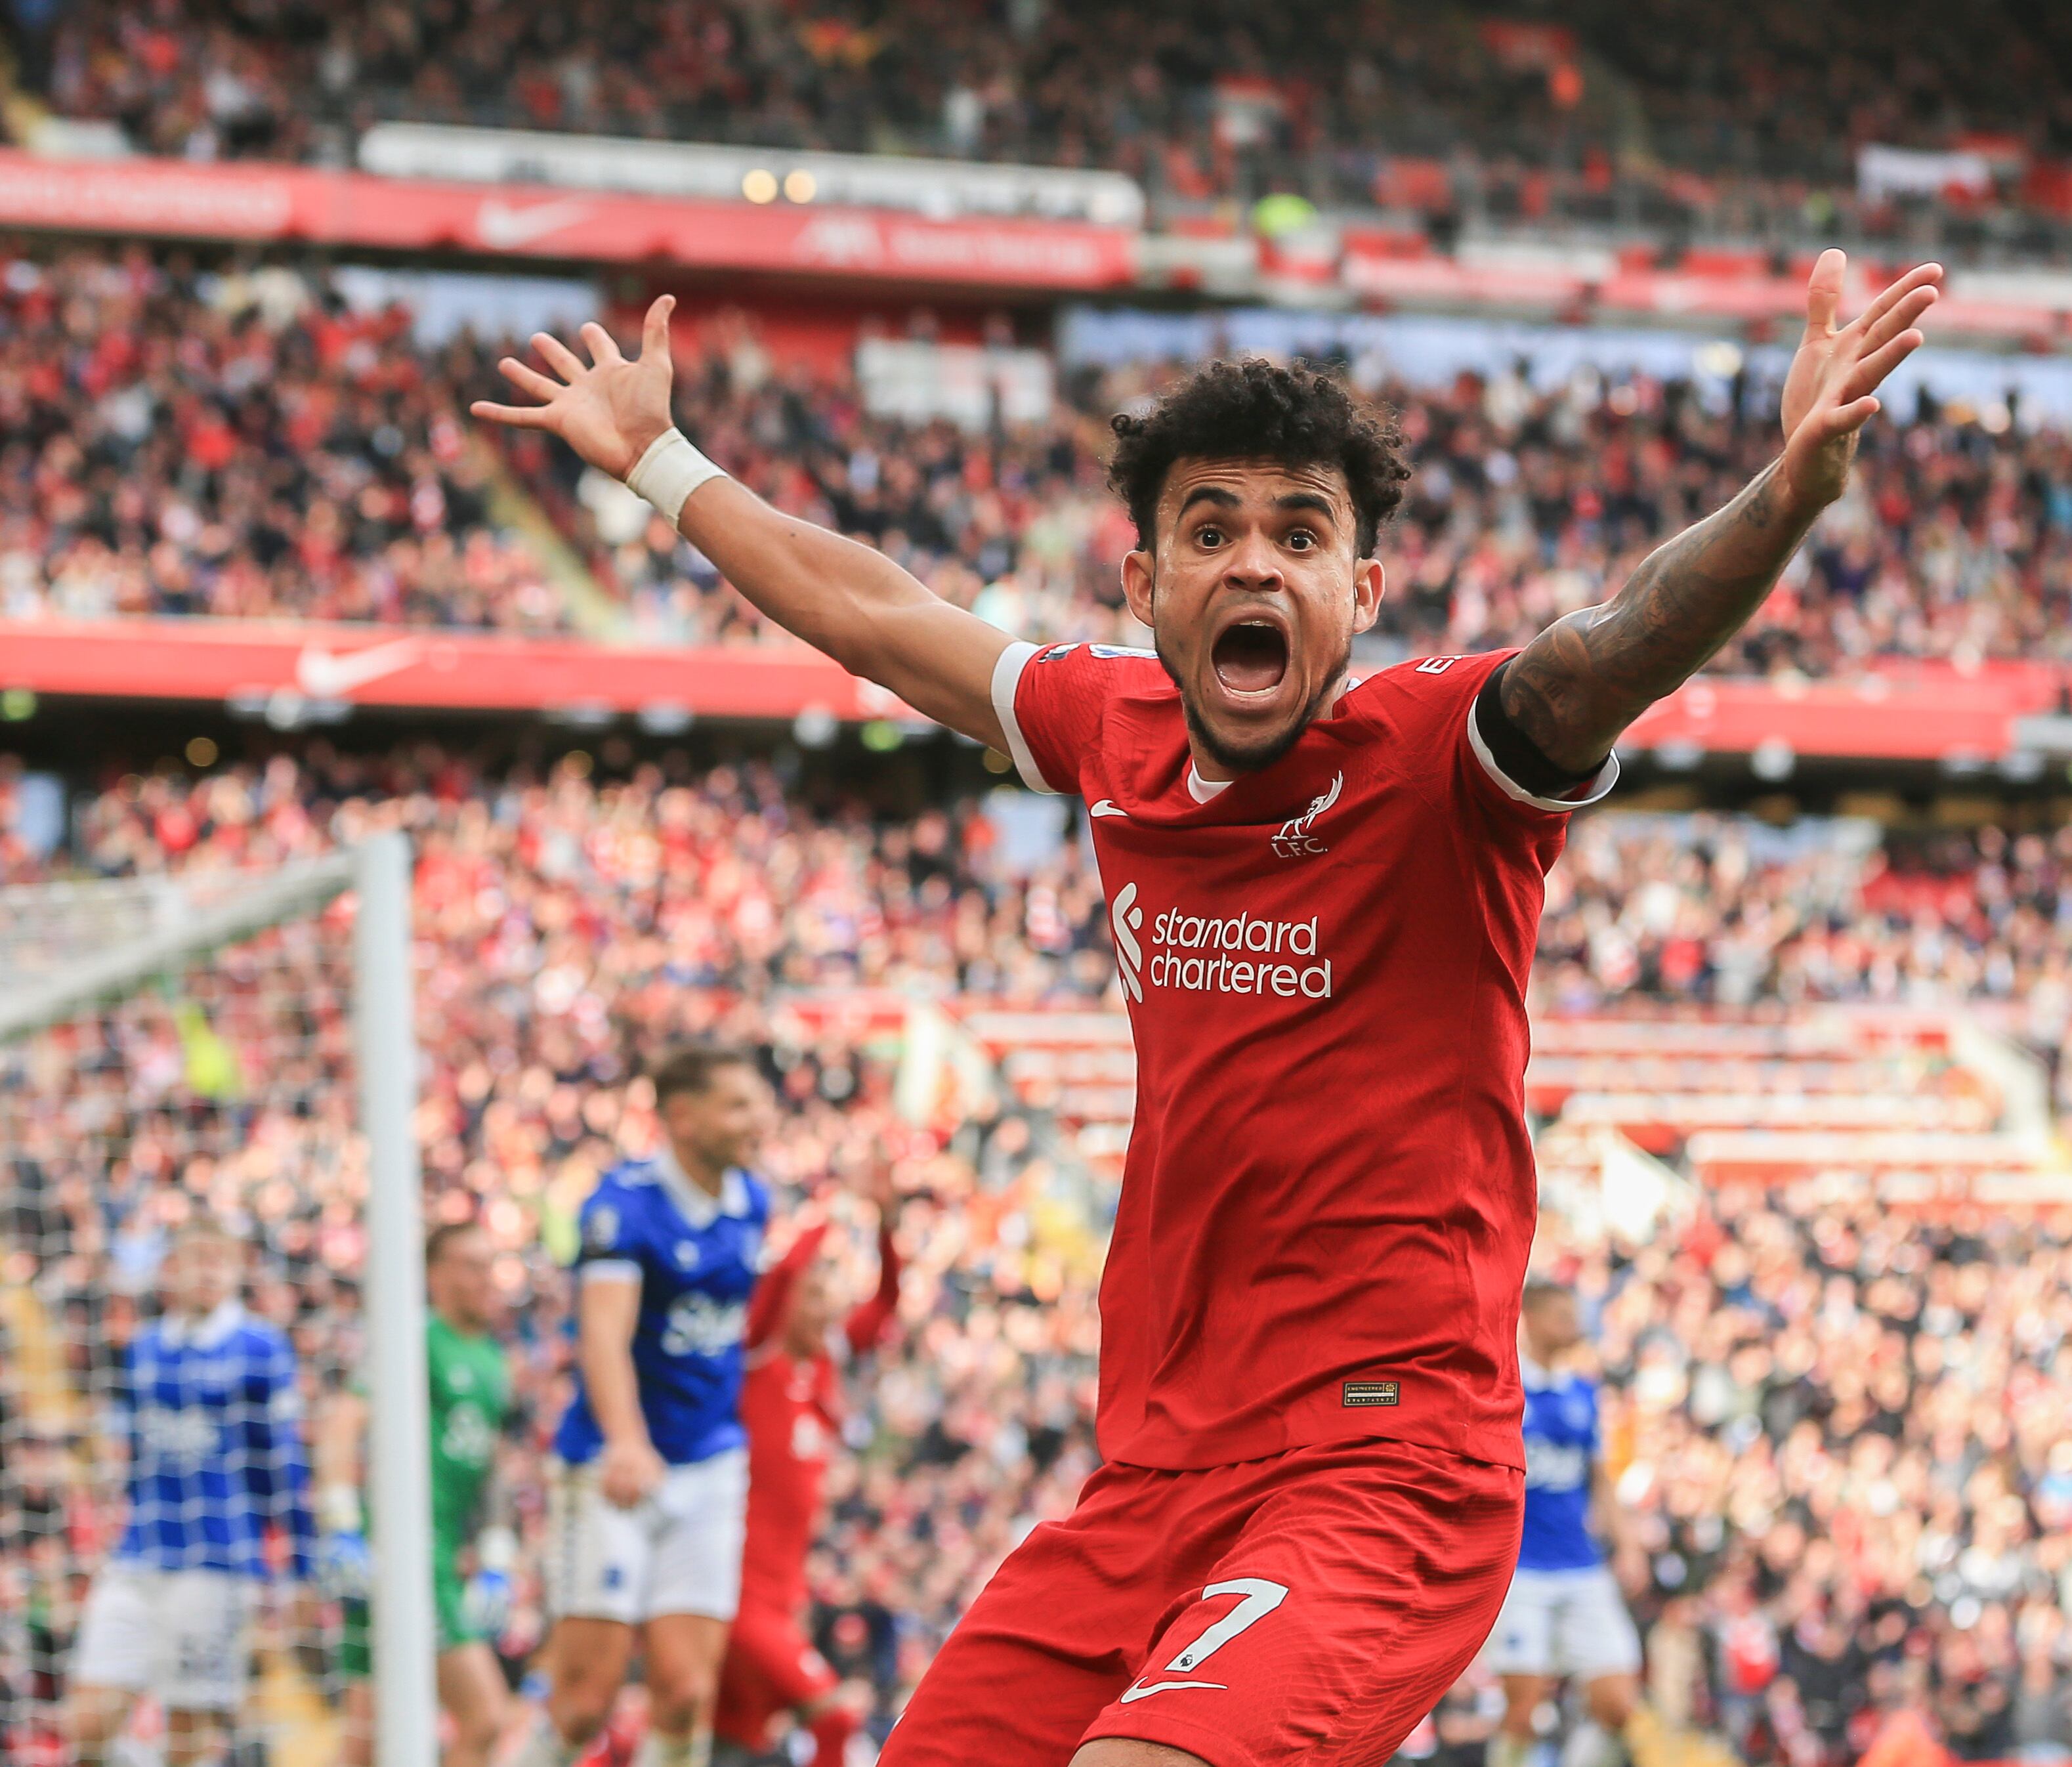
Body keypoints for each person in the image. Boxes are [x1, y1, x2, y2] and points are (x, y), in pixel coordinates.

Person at [475, 245, 1939, 1767]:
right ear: (1145, 582)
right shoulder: (1111, 728)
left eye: (1301, 534)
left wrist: (1784, 497)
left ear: (1360, 588)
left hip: (1385, 1466)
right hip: (1155, 1478)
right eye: (1211, 528)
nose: (1254, 562)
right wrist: (657, 457)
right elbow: (877, 614)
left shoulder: (1441, 761)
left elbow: (1608, 645)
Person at [517, 1046, 777, 1767]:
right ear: (683, 1116)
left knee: (687, 1692)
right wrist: (629, 1442)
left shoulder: (752, 1201)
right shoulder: (622, 1208)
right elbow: (601, 1335)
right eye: (739, 1105)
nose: (760, 1119)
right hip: (614, 1468)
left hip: (711, 1464)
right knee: (582, 1705)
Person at [65, 1204, 317, 1767]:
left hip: (217, 1561)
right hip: (140, 1555)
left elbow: (285, 1463)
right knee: (85, 1727)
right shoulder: (145, 1348)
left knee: (187, 1733)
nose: (210, 1272)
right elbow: (134, 1456)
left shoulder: (260, 1348)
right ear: (171, 1269)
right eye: (199, 1259)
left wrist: (301, 1564)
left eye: (222, 1262)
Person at [318, 1215, 519, 1767]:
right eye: (472, 1266)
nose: (487, 1279)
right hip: (406, 1553)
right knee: (485, 1717)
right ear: (436, 1273)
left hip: (443, 1555)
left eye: (490, 1266)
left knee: (365, 1739)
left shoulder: (493, 1359)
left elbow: (495, 1469)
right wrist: (343, 1525)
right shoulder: (413, 1338)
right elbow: (343, 1424)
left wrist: (499, 1559)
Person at [711, 1193, 902, 1767]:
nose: (826, 1313)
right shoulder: (759, 1361)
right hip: (740, 1597)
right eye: (814, 1298)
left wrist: (885, 1223)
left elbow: (885, 1304)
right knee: (835, 1717)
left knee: (734, 1740)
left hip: (785, 1597)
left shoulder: (821, 1370)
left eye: (832, 1301)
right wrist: (836, 1204)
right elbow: (787, 1269)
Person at [1487, 1281, 1651, 1767]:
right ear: (1530, 1318)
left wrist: (1629, 1546)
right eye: (1562, 1314)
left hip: (1581, 1564)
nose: (1574, 1325)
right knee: (1525, 1708)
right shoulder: (1504, 1390)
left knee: (1619, 1703)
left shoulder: (1585, 1393)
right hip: (1520, 1570)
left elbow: (1600, 1482)